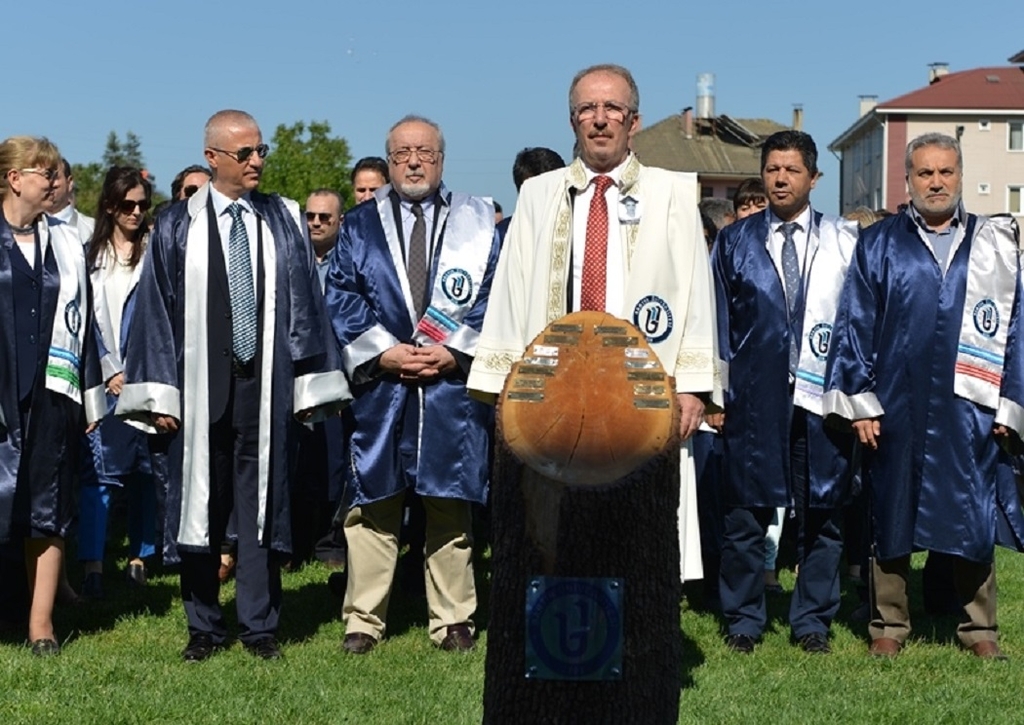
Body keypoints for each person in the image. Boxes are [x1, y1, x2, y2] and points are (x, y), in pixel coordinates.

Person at [467, 63, 717, 584]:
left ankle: (639, 622)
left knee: (640, 533)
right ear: (572, 120)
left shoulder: (672, 193)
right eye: (588, 109)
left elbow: (697, 290)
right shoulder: (539, 194)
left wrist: (694, 387)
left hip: (643, 387)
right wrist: (504, 383)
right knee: (555, 527)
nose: (600, 119)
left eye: (612, 109)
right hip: (556, 388)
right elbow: (511, 289)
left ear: (634, 121)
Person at [116, 110, 350, 662]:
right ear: (213, 157)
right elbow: (154, 312)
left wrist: (309, 385)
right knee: (199, 503)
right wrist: (160, 393)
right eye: (244, 153)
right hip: (198, 391)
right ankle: (203, 626)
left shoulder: (281, 218)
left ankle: (260, 626)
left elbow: (307, 307)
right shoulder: (176, 223)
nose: (256, 161)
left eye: (260, 150)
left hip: (265, 388)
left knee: (261, 504)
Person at [823, 132, 1024, 659]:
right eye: (925, 173)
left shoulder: (994, 246)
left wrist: (1010, 402)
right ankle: (888, 624)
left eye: (946, 172)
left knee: (972, 507)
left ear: (960, 176)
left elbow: (1016, 330)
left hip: (971, 404)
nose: (936, 182)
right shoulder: (879, 242)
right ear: (908, 179)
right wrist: (860, 400)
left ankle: (980, 629)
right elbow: (855, 322)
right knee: (891, 508)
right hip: (897, 400)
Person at [325, 114, 500, 654]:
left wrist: (455, 350)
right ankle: (363, 619)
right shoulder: (359, 225)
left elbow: (494, 293)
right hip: (383, 384)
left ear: (442, 159)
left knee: (449, 501)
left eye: (424, 152)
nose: (413, 162)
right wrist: (384, 351)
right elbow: (341, 294)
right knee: (374, 503)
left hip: (450, 386)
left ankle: (452, 619)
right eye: (401, 154)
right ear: (389, 161)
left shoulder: (478, 222)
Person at [711, 130, 858, 654]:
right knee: (745, 515)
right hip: (754, 398)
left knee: (823, 512)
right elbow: (717, 320)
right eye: (772, 169)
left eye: (792, 170)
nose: (780, 179)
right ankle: (743, 620)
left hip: (823, 401)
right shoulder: (735, 242)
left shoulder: (844, 242)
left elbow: (859, 322)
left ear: (814, 178)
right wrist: (715, 395)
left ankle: (812, 620)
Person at [0, 136, 104, 655]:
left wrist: (90, 397)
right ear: (15, 178)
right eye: (45, 173)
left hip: (51, 392)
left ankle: (41, 624)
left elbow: (85, 325)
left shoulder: (65, 242)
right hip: (2, 390)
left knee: (48, 502)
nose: (54, 182)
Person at [77, 167, 158, 599]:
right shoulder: (88, 256)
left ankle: (140, 558)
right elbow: (84, 320)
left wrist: (142, 371)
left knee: (146, 471)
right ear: (110, 206)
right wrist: (108, 369)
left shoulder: (155, 252)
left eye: (143, 205)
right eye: (128, 205)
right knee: (99, 473)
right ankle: (92, 562)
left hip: (148, 378)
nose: (136, 212)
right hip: (103, 379)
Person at [292, 188, 347, 570]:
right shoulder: (292, 260)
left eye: (324, 217)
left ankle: (330, 541)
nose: (315, 223)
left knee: (334, 463)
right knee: (297, 462)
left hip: (337, 375)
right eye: (309, 216)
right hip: (297, 375)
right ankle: (296, 544)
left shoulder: (348, 263)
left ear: (339, 221)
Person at [46, 158, 95, 242]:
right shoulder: (28, 226)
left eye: (54, 177)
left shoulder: (91, 229)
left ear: (69, 183)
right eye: (46, 177)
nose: (49, 183)